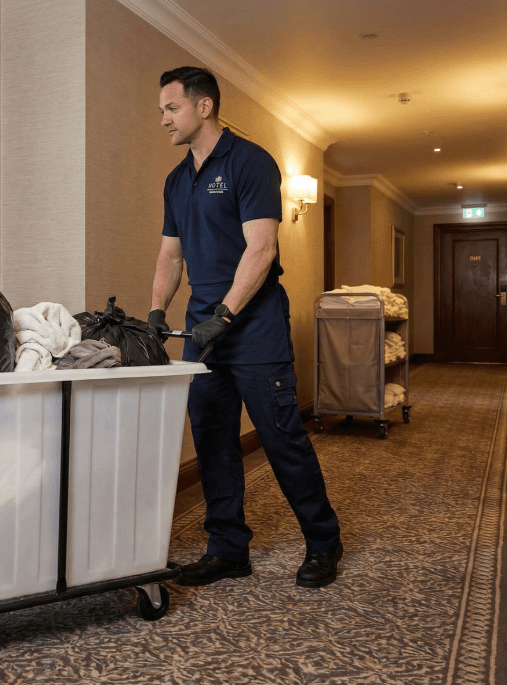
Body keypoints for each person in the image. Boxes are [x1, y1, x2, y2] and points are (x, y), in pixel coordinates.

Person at [148, 66, 342, 588]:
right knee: (212, 439)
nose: (162, 118)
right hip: (202, 331)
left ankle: (324, 542)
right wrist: (157, 312)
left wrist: (225, 317)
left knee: (281, 437)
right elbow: (171, 255)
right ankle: (228, 547)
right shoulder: (176, 179)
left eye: (171, 108)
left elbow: (263, 249)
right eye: (162, 109)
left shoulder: (250, 162)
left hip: (253, 327)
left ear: (203, 106)